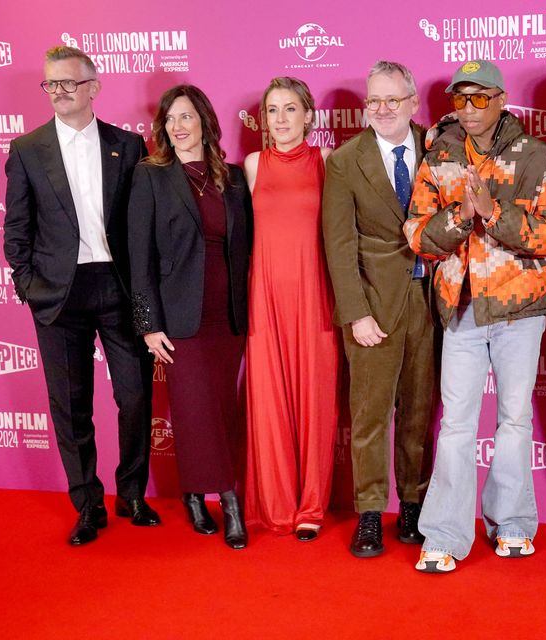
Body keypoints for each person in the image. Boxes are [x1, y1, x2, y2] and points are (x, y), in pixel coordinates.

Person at [404, 60, 546, 573]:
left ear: (500, 99)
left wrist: (493, 212)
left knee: (514, 419)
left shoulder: (537, 154)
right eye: (459, 99)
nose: (468, 109)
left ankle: (512, 525)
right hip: (462, 309)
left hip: (521, 309)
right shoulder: (440, 154)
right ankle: (445, 534)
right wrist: (461, 215)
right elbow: (416, 234)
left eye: (479, 98)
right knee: (455, 425)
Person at [3, 45, 157, 546]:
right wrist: (30, 286)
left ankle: (132, 492)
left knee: (134, 396)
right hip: (58, 295)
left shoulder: (127, 146)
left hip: (118, 285)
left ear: (94, 86)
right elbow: (16, 230)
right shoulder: (27, 149)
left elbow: (142, 227)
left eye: (69, 82)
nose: (59, 92)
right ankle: (87, 503)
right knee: (71, 407)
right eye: (51, 84)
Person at [128, 85, 252, 550]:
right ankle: (228, 500)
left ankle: (193, 491)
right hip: (180, 318)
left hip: (230, 317)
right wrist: (147, 323)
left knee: (219, 409)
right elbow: (138, 255)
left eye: (186, 117)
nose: (178, 127)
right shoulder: (151, 176)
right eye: (170, 119)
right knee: (196, 409)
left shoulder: (234, 178)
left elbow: (249, 248)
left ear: (204, 120)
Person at [322, 61, 437, 558]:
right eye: (374, 100)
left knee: (418, 412)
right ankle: (370, 512)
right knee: (369, 416)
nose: (383, 109)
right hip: (372, 305)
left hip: (431, 304)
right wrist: (355, 313)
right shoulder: (345, 160)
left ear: (413, 101)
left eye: (393, 99)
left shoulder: (440, 148)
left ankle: (413, 505)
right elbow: (339, 244)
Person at [244, 77, 339, 540]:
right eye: (272, 110)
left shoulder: (326, 161)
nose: (280, 119)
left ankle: (311, 506)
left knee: (316, 401)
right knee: (270, 401)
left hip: (315, 294)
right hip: (265, 299)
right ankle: (278, 503)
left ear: (308, 115)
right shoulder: (251, 165)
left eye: (290, 109)